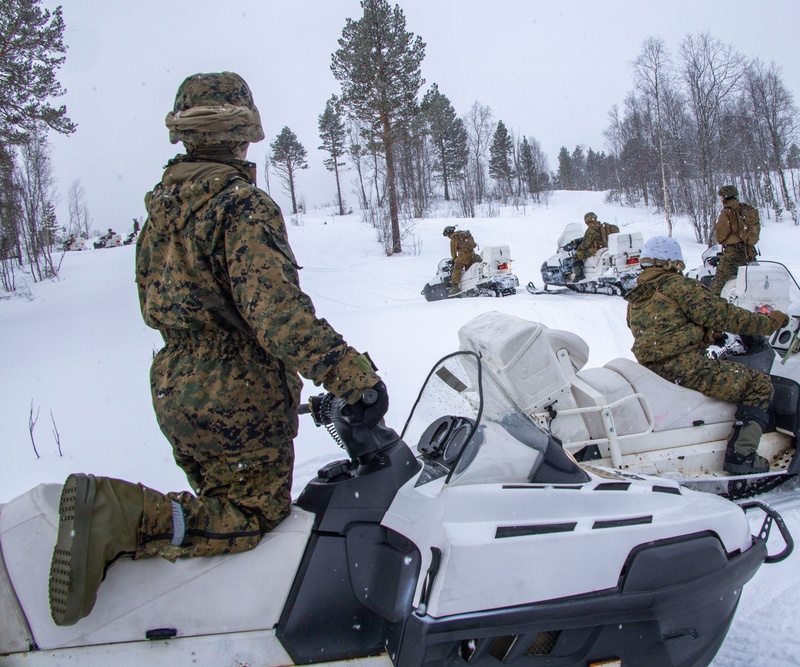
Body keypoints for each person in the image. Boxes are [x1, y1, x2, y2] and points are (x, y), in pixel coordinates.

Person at [48, 72, 387, 627]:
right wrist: (351, 376)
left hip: (176, 385)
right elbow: (276, 315)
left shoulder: (160, 214)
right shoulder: (240, 206)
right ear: (244, 132)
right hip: (238, 390)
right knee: (250, 517)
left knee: (220, 507)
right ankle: (125, 517)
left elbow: (155, 302)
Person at [624, 236, 788, 475]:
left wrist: (705, 336)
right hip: (684, 367)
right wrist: (769, 322)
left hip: (651, 369)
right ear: (672, 261)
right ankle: (742, 455)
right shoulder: (680, 286)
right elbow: (727, 316)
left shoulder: (639, 296)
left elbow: (659, 331)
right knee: (759, 384)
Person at [710, 185, 758, 294]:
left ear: (724, 198)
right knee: (751, 283)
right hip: (749, 252)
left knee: (718, 284)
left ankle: (714, 307)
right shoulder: (746, 210)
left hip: (733, 254)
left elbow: (720, 236)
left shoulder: (727, 212)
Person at [569, 211, 619, 282]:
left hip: (595, 250)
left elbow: (586, 244)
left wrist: (579, 249)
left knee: (576, 256)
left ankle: (579, 275)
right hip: (606, 248)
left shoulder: (591, 230)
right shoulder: (602, 226)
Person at [442, 225, 479, 295]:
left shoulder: (453, 238)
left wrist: (453, 260)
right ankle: (470, 285)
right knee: (469, 269)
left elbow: (453, 252)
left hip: (463, 257)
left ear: (448, 234)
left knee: (456, 271)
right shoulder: (462, 234)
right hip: (471, 254)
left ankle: (455, 289)